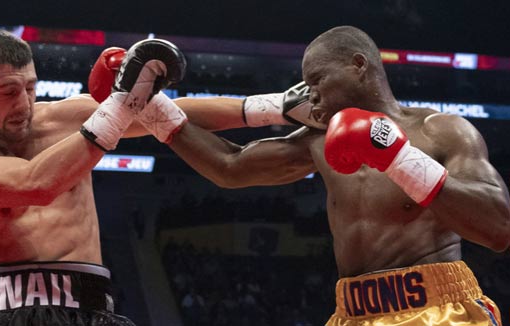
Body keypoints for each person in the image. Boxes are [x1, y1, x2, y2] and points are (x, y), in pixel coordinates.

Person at [136, 26, 510, 325]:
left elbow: (498, 227)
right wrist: (151, 109)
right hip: (352, 313)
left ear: (358, 66)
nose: (309, 96)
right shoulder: (318, 140)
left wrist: (399, 158)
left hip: (437, 309)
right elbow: (230, 166)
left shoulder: (440, 131)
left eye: (317, 81)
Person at [0, 30, 189, 325]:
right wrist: (121, 105)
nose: (24, 103)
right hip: (6, 308)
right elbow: (35, 185)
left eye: (31, 88)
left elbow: (181, 115)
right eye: (9, 92)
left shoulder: (67, 117)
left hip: (93, 306)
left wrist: (248, 110)